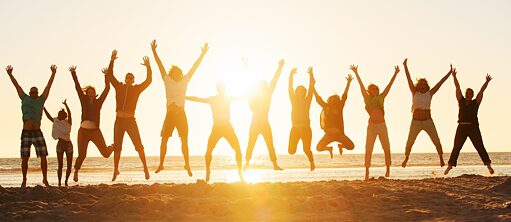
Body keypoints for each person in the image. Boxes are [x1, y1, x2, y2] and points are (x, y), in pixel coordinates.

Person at [152, 40, 209, 176]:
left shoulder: (184, 80)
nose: (177, 75)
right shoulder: (167, 79)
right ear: (171, 74)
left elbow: (195, 67)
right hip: (170, 114)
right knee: (164, 139)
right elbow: (159, 66)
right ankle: (161, 164)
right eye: (175, 73)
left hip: (181, 114)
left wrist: (203, 53)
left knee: (184, 140)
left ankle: (187, 164)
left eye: (179, 73)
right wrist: (154, 52)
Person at [5, 64, 56, 187]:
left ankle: (45, 179)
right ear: (29, 92)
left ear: (37, 93)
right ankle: (24, 180)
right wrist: (10, 74)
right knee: (25, 157)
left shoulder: (41, 99)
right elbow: (17, 86)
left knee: (44, 156)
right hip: (26, 132)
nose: (34, 93)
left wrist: (53, 74)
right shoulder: (24, 98)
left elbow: (48, 87)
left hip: (37, 131)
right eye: (32, 92)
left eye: (35, 92)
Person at [106, 50, 151, 181]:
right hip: (119, 120)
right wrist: (112, 61)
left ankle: (145, 168)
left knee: (139, 145)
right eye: (128, 77)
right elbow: (110, 75)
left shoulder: (136, 89)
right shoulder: (119, 87)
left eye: (131, 78)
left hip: (131, 120)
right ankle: (115, 170)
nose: (129, 79)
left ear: (133, 80)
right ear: (125, 79)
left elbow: (149, 81)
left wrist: (148, 66)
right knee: (117, 147)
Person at [186, 82, 244, 182]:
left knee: (238, 149)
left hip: (227, 127)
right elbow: (198, 99)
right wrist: (184, 96)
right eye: (220, 88)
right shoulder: (213, 99)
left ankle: (240, 172)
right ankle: (208, 171)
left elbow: (240, 97)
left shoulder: (227, 98)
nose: (221, 89)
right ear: (218, 89)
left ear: (224, 89)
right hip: (217, 127)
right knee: (209, 150)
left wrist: (252, 94)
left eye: (223, 88)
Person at [350, 64, 399, 180]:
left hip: (382, 125)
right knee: (369, 148)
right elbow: (361, 87)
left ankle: (388, 168)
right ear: (370, 91)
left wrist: (395, 74)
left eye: (377, 88)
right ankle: (366, 171)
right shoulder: (367, 98)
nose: (376, 90)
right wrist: (356, 73)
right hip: (372, 126)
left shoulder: (382, 97)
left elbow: (389, 86)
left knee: (386, 147)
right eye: (373, 89)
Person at [401, 58, 452, 168]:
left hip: (428, 121)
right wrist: (405, 66)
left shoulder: (430, 93)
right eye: (421, 84)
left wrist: (449, 73)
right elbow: (408, 79)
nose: (422, 86)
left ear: (426, 86)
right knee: (410, 141)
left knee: (436, 140)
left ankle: (441, 158)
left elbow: (440, 83)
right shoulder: (414, 92)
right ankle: (406, 158)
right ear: (418, 85)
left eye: (424, 84)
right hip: (416, 121)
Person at [444, 70, 494, 175]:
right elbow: (457, 88)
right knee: (456, 147)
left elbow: (481, 91)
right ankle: (449, 166)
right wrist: (454, 77)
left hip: (473, 128)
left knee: (480, 146)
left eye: (470, 94)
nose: (468, 95)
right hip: (461, 127)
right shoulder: (461, 101)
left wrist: (487, 82)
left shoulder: (476, 103)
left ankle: (488, 165)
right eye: (467, 93)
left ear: (472, 95)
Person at [71, 65, 114, 183]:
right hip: (83, 132)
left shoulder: (98, 102)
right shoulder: (83, 100)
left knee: (105, 154)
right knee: (82, 154)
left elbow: (107, 89)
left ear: (94, 94)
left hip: (95, 131)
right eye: (88, 92)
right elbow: (77, 88)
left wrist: (106, 76)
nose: (90, 94)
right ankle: (75, 172)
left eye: (92, 92)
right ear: (86, 93)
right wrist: (73, 74)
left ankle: (112, 147)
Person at [244, 59, 285, 171]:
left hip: (264, 121)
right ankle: (247, 163)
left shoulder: (267, 92)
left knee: (269, 143)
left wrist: (280, 68)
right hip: (256, 120)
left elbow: (274, 80)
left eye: (265, 85)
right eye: (262, 85)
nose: (264, 86)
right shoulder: (254, 94)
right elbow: (249, 81)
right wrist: (246, 65)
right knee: (251, 142)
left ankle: (275, 165)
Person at [313, 74, 355, 158]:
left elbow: (344, 96)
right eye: (332, 99)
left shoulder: (340, 107)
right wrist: (312, 87)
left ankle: (341, 146)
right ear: (329, 101)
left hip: (340, 135)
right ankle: (329, 149)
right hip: (329, 135)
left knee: (351, 146)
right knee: (319, 148)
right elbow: (318, 99)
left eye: (336, 99)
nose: (334, 101)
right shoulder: (326, 107)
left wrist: (348, 83)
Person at [287, 67, 316, 171]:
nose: (300, 92)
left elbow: (311, 88)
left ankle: (312, 162)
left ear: (304, 92)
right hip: (294, 128)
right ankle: (310, 161)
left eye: (302, 91)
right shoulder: (293, 100)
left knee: (306, 149)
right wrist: (291, 75)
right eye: (298, 90)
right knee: (291, 151)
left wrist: (311, 75)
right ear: (296, 92)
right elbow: (290, 88)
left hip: (305, 129)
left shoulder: (307, 101)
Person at [43, 99, 73, 186]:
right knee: (60, 165)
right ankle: (60, 182)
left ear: (64, 116)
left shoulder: (68, 122)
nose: (59, 116)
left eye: (61, 115)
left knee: (69, 165)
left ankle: (66, 181)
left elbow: (70, 114)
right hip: (60, 144)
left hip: (68, 144)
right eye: (59, 115)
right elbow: (48, 116)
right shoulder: (56, 121)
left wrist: (66, 105)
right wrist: (43, 107)